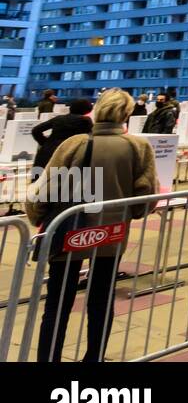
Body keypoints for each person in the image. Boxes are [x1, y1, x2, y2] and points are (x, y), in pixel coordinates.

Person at [26, 88, 158, 361]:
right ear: (127, 113)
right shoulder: (138, 147)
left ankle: (49, 357)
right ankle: (94, 356)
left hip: (71, 231)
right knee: (101, 298)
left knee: (57, 303)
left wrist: (37, 216)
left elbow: (46, 188)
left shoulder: (75, 144)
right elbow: (145, 197)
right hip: (111, 233)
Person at [31, 98, 93, 180]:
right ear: (87, 110)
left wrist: (45, 142)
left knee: (37, 184)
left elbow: (36, 130)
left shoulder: (59, 118)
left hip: (46, 152)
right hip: (66, 155)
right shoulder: (85, 121)